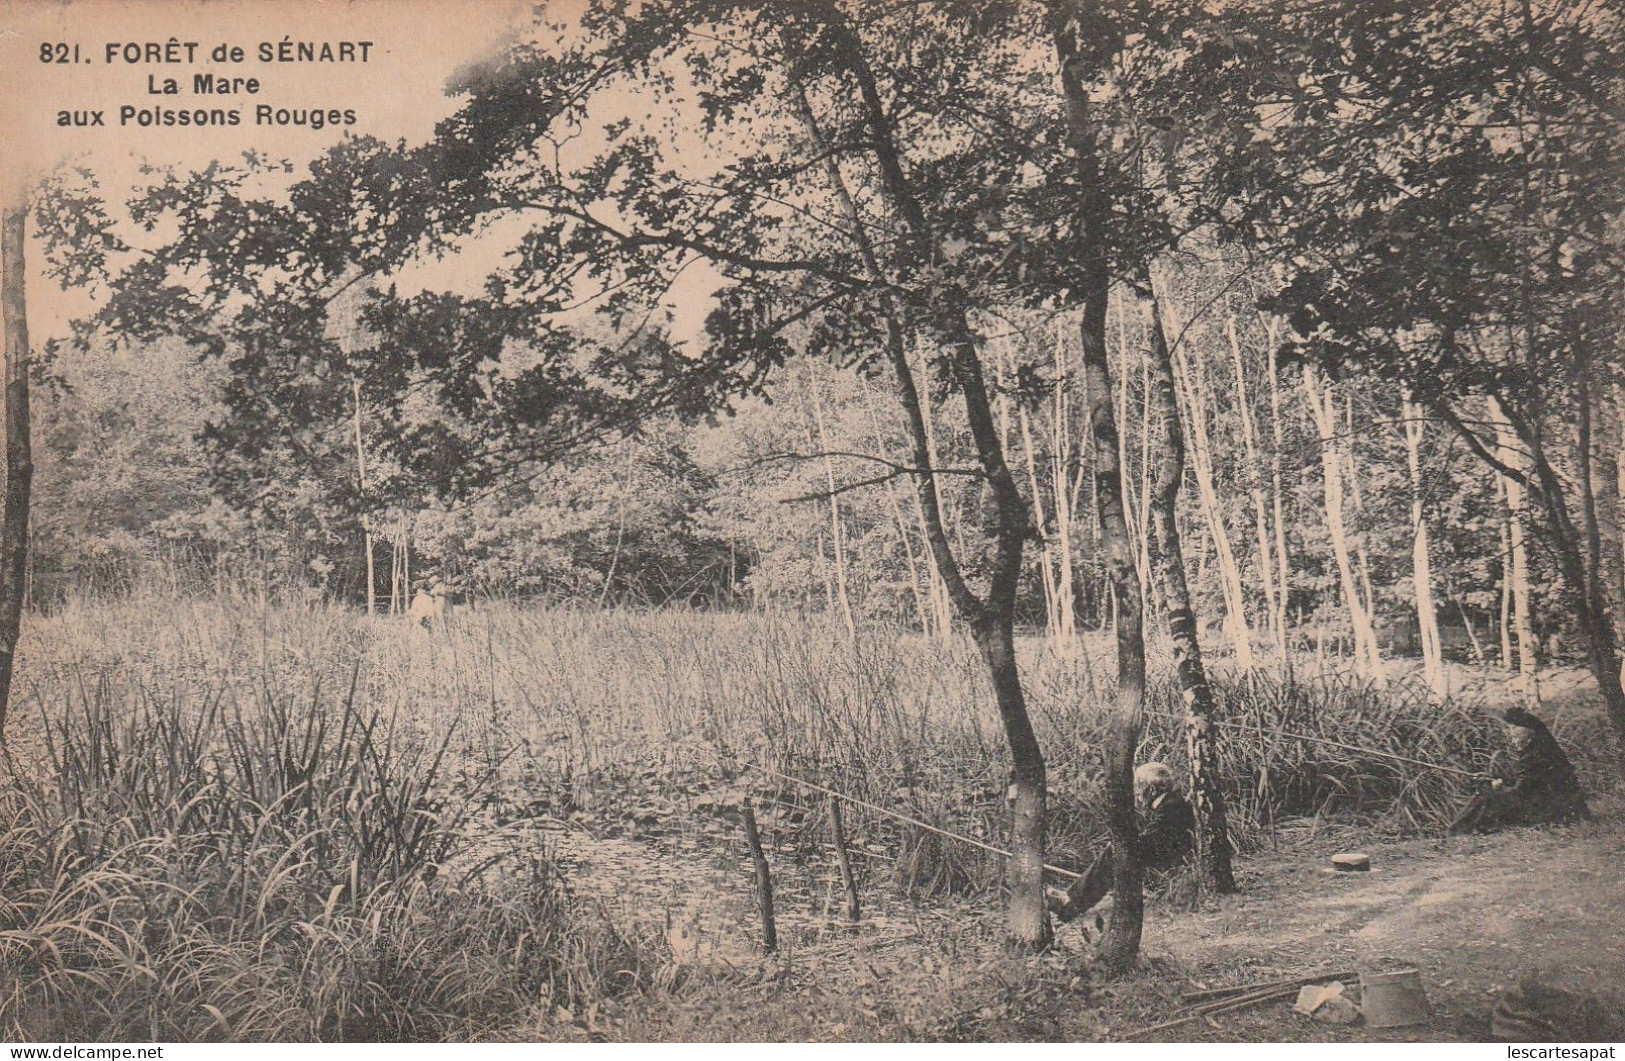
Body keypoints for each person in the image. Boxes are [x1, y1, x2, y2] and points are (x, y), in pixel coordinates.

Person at [1049, 762, 1195, 924]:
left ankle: (1071, 904)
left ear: (1152, 790)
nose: (1137, 794)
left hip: (1169, 863)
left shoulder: (1171, 807)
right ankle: (1072, 899)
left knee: (1115, 852)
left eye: (1140, 788)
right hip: (1167, 857)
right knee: (1115, 851)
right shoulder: (1169, 802)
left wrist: (1126, 843)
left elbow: (1156, 841)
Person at [1450, 706, 1589, 834]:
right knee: (1486, 792)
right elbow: (1526, 781)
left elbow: (1522, 790)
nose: (1512, 742)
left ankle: (1456, 832)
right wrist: (1493, 778)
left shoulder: (1538, 757)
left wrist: (1499, 786)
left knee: (1485, 796)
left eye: (1515, 737)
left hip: (1548, 810)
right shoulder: (1543, 750)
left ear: (1529, 738)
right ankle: (1459, 829)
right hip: (1549, 804)